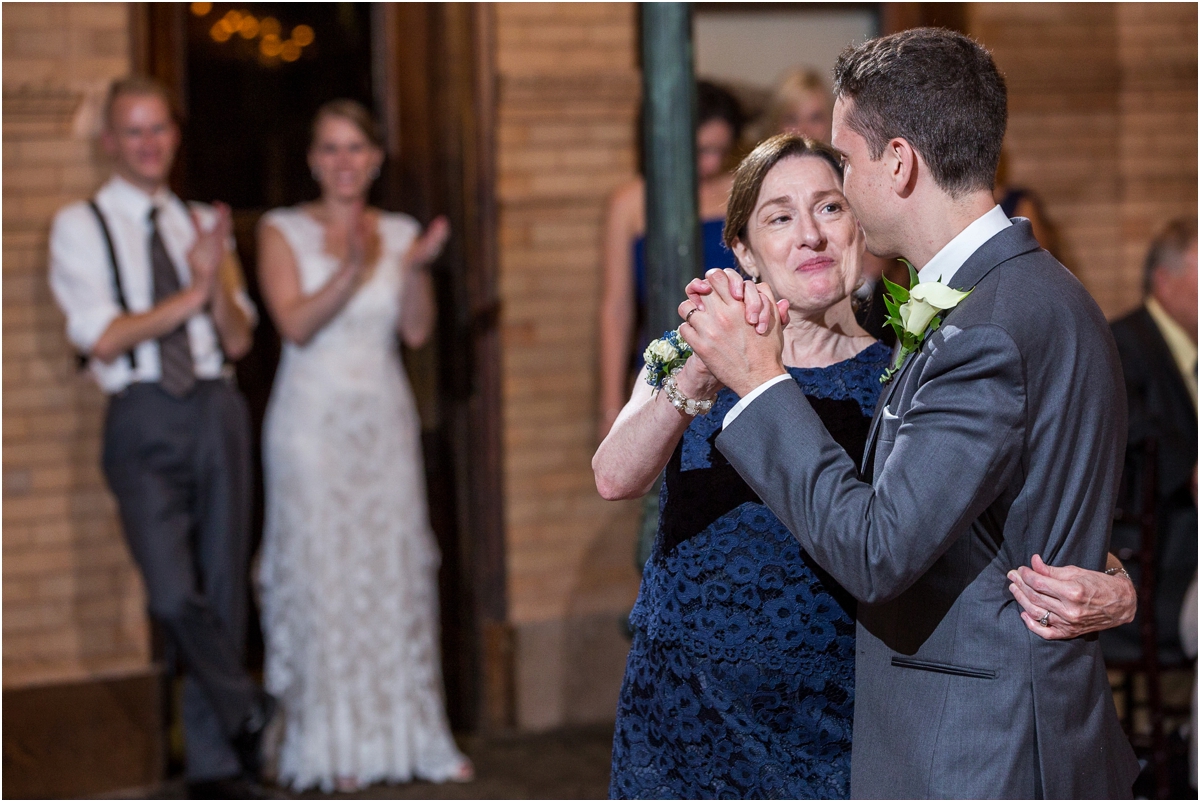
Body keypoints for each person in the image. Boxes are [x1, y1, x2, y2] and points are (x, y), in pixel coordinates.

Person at [596, 134, 1136, 798]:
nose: (810, 236)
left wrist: (1113, 576)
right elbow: (615, 475)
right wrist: (704, 373)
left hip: (834, 714)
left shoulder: (909, 368)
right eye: (780, 217)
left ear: (861, 225)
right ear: (743, 250)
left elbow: (991, 515)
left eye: (830, 208)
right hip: (683, 706)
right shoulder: (693, 346)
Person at [48, 76, 272, 798]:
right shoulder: (79, 225)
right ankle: (246, 706)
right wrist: (194, 289)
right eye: (133, 131)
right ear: (111, 140)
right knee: (174, 594)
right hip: (141, 413)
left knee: (222, 584)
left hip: (216, 408)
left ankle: (219, 771)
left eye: (159, 130)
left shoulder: (198, 223)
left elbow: (238, 340)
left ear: (174, 135)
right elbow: (106, 338)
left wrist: (220, 277)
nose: (148, 144)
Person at [255, 99, 471, 793]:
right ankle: (331, 740)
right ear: (313, 160)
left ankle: (410, 736)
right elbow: (293, 324)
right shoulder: (280, 230)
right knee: (324, 572)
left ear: (375, 159)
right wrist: (351, 265)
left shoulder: (401, 230)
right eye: (329, 149)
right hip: (311, 426)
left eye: (355, 149)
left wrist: (412, 269)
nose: (343, 162)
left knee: (391, 569)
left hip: (381, 420)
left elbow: (414, 333)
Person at [597, 80, 744, 442]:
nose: (710, 163)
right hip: (662, 363)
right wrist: (611, 405)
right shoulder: (630, 203)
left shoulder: (740, 190)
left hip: (736, 364)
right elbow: (617, 308)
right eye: (701, 150)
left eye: (719, 151)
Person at [1103, 219, 1197, 666]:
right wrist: (1191, 473)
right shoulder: (1123, 343)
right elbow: (1136, 431)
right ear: (1165, 278)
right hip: (1156, 560)